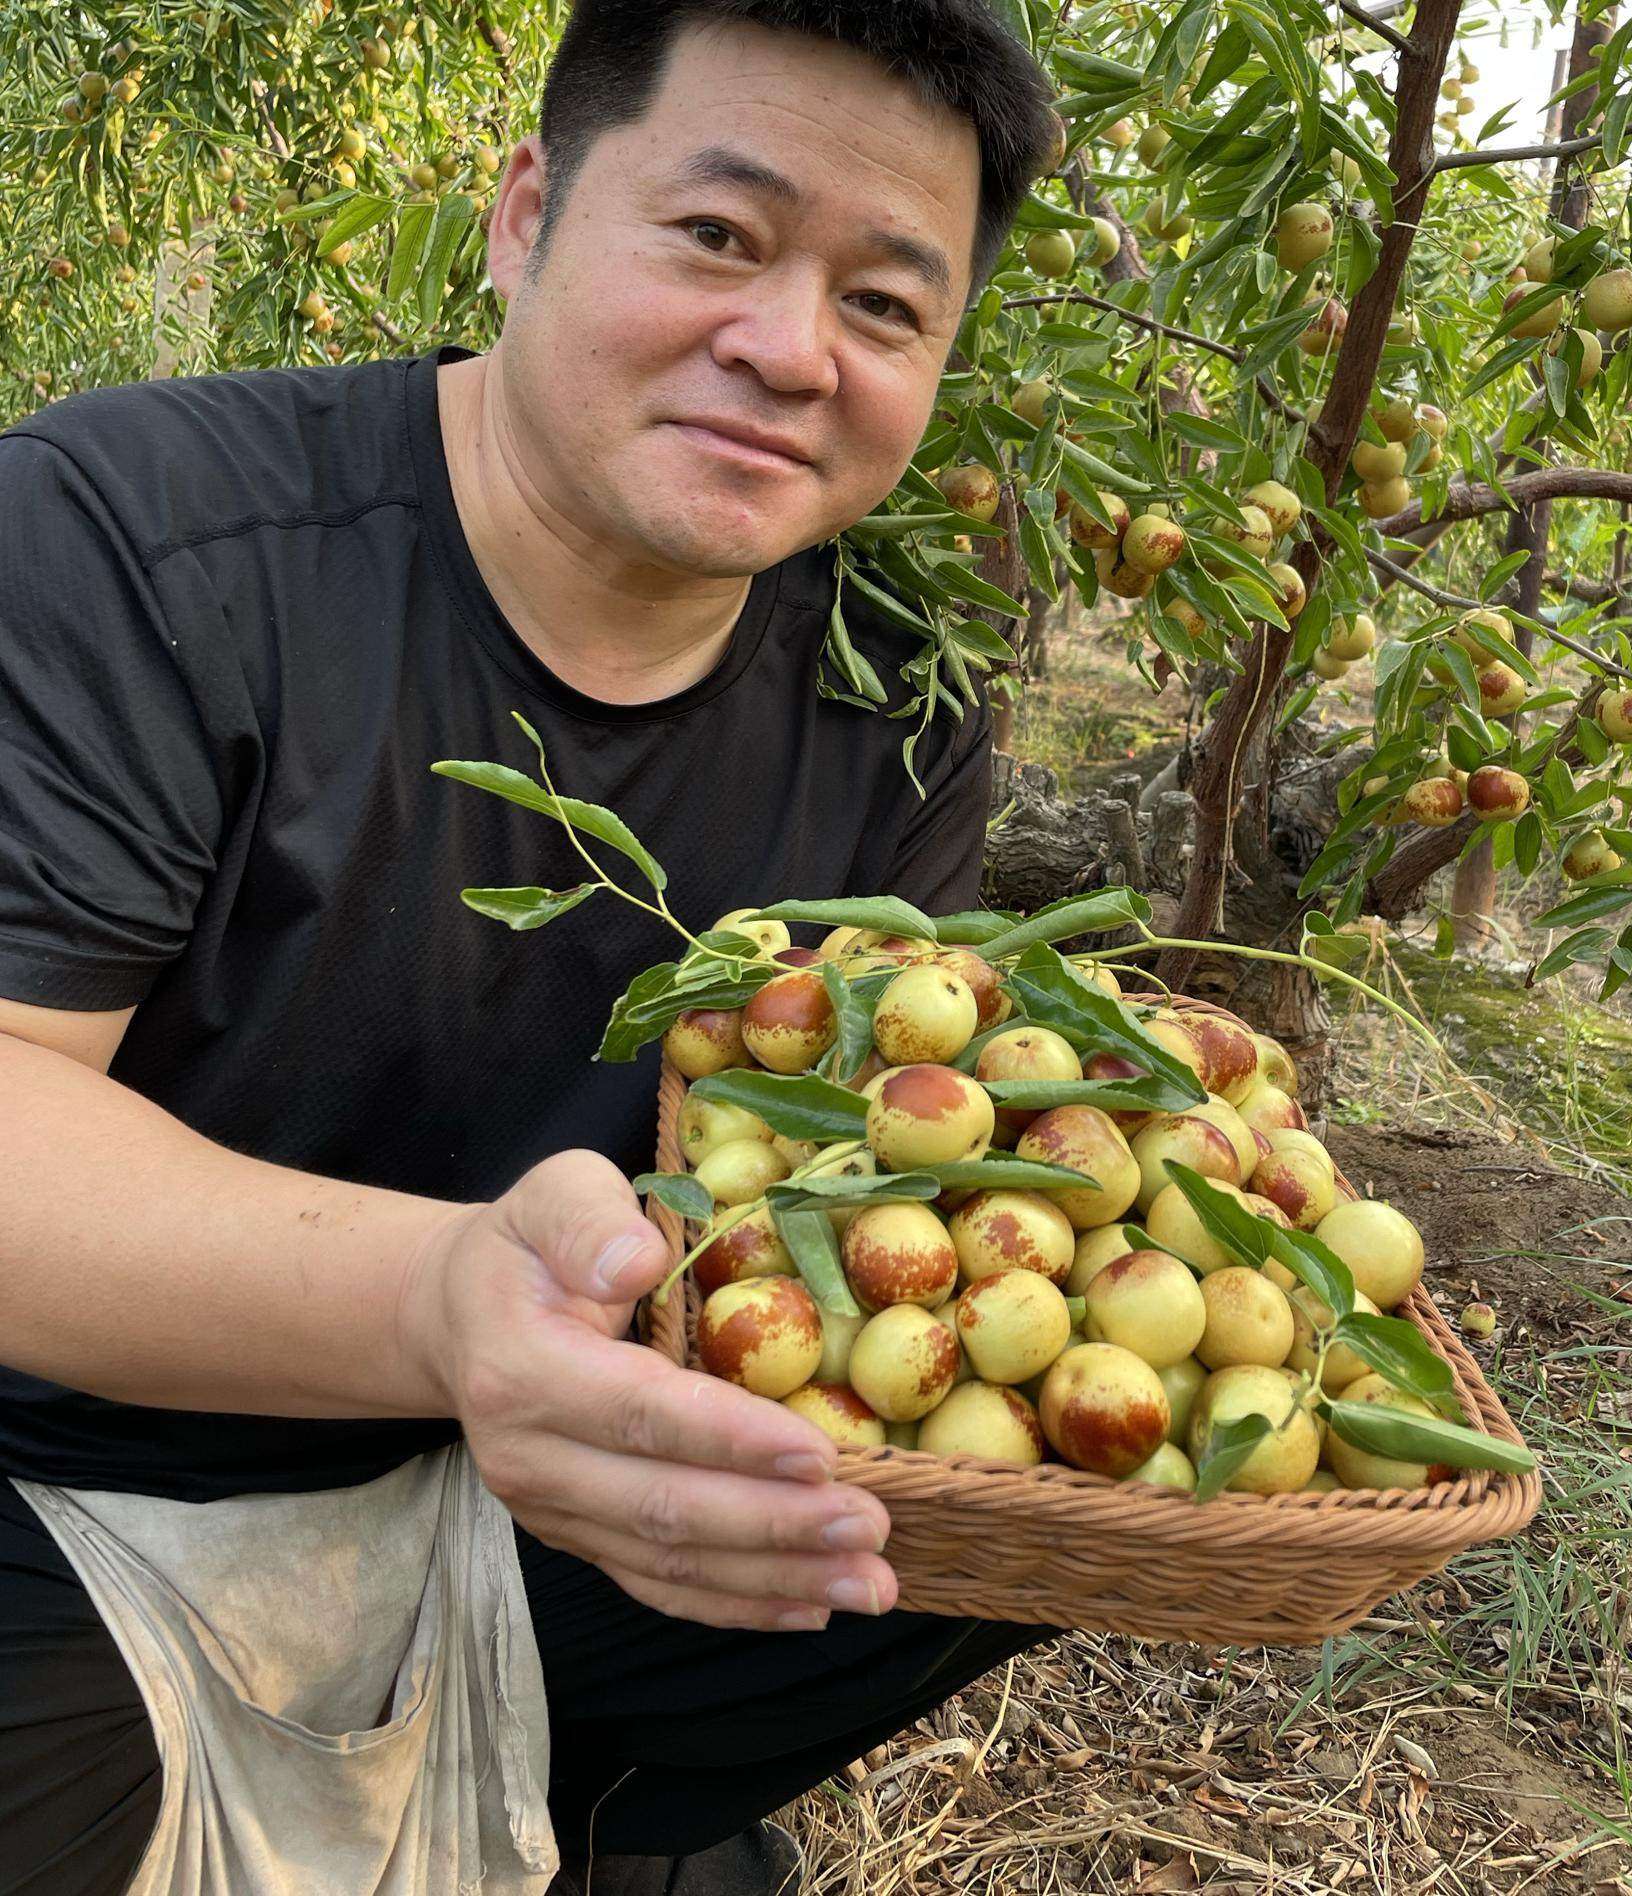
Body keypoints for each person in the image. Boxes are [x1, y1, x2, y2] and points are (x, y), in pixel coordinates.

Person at [0, 3, 1060, 1889]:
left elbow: (822, 1164)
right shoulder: (128, 542)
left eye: (888, 307)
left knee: (971, 1540)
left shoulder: (895, 699)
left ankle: (580, 1813)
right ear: (526, 215)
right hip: (66, 1487)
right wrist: (438, 1309)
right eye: (719, 237)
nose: (789, 349)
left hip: (527, 1491)